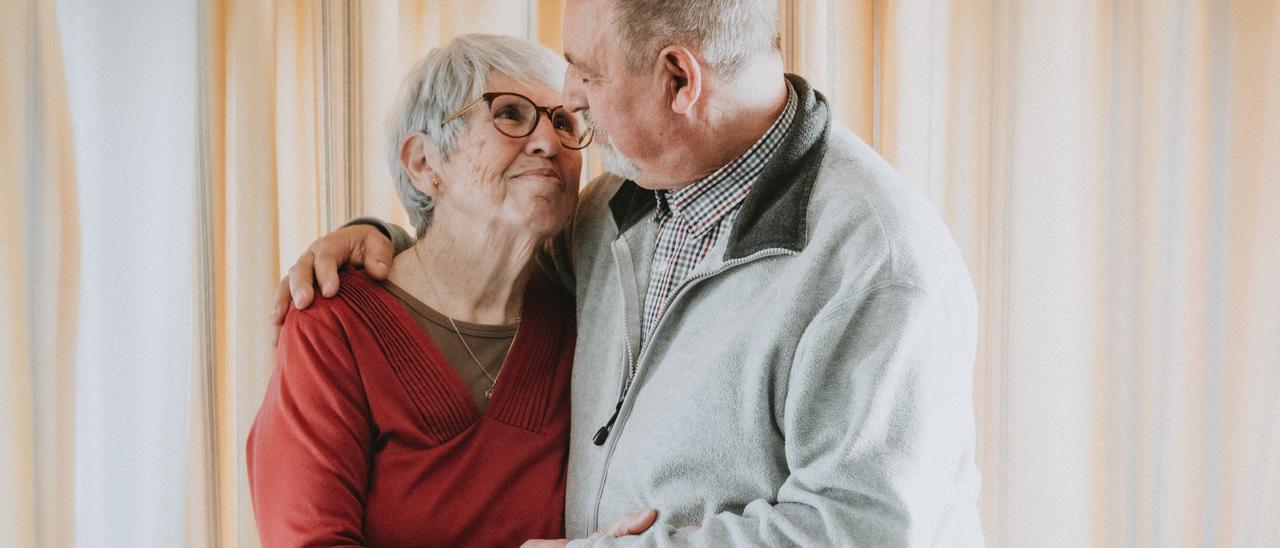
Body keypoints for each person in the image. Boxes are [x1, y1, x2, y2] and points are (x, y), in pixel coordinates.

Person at [276, 1, 984, 545]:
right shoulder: (611, 208)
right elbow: (472, 258)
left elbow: (864, 530)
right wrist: (377, 238)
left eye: (586, 73)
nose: (571, 104)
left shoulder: (877, 264)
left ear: (679, 79)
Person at [248, 34, 606, 546]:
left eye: (566, 121)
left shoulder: (587, 322)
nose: (549, 142)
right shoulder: (332, 324)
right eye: (509, 114)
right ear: (424, 164)